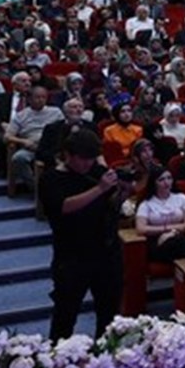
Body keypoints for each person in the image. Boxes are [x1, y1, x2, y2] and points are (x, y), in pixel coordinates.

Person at [38, 130, 124, 340]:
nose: (88, 163)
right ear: (68, 154)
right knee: (66, 313)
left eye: (91, 158)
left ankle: (105, 356)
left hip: (105, 250)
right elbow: (62, 207)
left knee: (109, 311)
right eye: (83, 159)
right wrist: (100, 188)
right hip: (72, 255)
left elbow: (111, 203)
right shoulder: (51, 178)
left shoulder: (96, 170)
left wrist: (123, 192)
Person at [133, 169, 185, 264]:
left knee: (180, 243)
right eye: (161, 180)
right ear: (154, 183)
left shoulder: (182, 198)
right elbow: (140, 229)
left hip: (179, 237)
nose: (166, 183)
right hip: (156, 241)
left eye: (169, 178)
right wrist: (165, 230)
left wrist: (170, 233)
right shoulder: (146, 204)